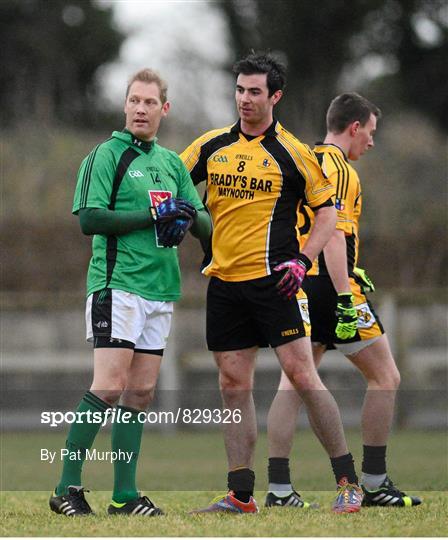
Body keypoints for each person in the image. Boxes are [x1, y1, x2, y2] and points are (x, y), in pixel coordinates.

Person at [180, 53, 363, 514]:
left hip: (275, 283)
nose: (244, 99)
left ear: (275, 96)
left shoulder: (294, 153)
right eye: (240, 89)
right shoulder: (211, 145)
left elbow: (328, 214)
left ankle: (349, 483)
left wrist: (303, 260)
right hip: (223, 283)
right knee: (232, 385)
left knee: (303, 375)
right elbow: (171, 180)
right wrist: (169, 210)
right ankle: (241, 495)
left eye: (255, 91)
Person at [49, 68, 211, 517]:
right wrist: (151, 215)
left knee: (140, 393)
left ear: (164, 108)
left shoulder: (173, 163)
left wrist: (185, 215)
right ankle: (67, 487)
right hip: (116, 286)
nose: (141, 109)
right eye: (134, 101)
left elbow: (206, 225)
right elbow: (90, 220)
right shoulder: (105, 155)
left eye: (150, 102)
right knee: (109, 385)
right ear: (125, 105)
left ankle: (124, 496)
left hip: (161, 290)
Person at [266, 92, 421, 508]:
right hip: (329, 287)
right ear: (354, 128)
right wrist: (344, 295)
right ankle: (374, 482)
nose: (371, 142)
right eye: (370, 132)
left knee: (294, 383)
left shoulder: (304, 159)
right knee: (385, 377)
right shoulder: (341, 169)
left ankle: (279, 487)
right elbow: (333, 234)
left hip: (296, 285)